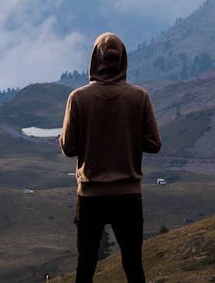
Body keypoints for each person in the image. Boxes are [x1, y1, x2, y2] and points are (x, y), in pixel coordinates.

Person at [60, 32, 162, 282]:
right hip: (128, 196)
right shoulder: (139, 97)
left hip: (91, 197)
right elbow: (154, 144)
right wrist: (127, 135)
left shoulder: (78, 98)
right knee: (133, 265)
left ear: (95, 59)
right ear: (123, 60)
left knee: (85, 266)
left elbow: (69, 147)